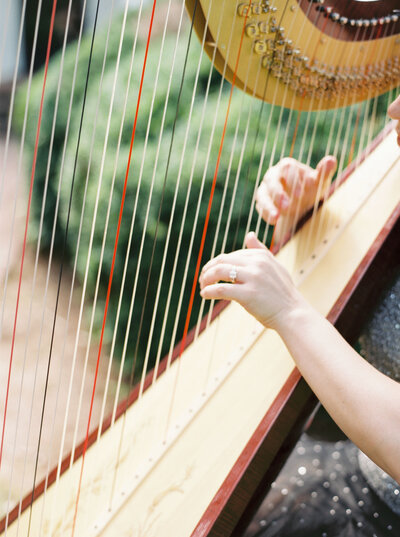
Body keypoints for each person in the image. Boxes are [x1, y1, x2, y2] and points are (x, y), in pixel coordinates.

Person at [199, 95, 400, 535]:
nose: (394, 110)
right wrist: (304, 222)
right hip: (355, 464)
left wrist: (291, 311)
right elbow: (352, 302)